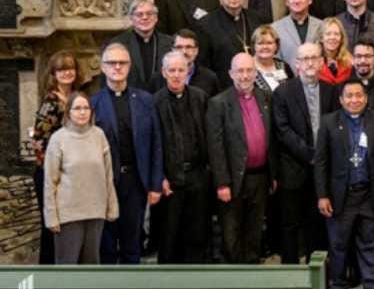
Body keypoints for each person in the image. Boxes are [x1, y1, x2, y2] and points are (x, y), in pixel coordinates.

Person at [317, 79, 374, 289]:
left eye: (359, 95)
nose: (354, 100)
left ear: (366, 97)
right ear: (341, 99)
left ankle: (372, 287)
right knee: (338, 244)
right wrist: (322, 195)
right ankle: (339, 287)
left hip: (370, 194)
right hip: (341, 196)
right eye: (349, 96)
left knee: (372, 243)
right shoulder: (329, 122)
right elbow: (321, 161)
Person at [91, 43, 164, 264]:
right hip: (106, 182)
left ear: (129, 66)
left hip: (136, 180)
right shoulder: (93, 103)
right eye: (111, 63)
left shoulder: (145, 100)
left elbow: (156, 144)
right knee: (107, 241)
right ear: (103, 68)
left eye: (122, 63)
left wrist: (155, 184)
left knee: (133, 240)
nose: (117, 67)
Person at [207, 53, 277, 264]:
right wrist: (222, 183)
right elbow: (215, 147)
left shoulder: (266, 98)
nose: (245, 76)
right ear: (231, 74)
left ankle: (253, 272)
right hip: (233, 179)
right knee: (231, 231)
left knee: (255, 230)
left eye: (249, 71)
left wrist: (274, 174)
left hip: (261, 176)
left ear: (256, 73)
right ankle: (234, 278)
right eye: (240, 71)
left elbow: (272, 139)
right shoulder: (218, 103)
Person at [273, 43, 337, 264]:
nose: (310, 63)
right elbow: (283, 130)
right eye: (304, 59)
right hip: (293, 168)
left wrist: (321, 158)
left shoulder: (331, 91)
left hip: (323, 171)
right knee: (290, 225)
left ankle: (317, 273)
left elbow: (336, 128)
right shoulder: (283, 92)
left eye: (314, 58)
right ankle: (290, 273)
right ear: (297, 64)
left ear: (322, 62)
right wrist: (311, 155)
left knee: (317, 224)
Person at [43, 93, 119, 265]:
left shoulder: (99, 135)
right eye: (77, 108)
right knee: (67, 265)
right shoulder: (58, 139)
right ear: (68, 112)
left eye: (86, 108)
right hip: (68, 214)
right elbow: (50, 182)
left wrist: (112, 206)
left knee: (91, 265)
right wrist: (51, 216)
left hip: (95, 212)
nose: (82, 112)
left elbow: (108, 174)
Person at [151, 51, 210, 264]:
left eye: (181, 70)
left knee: (197, 235)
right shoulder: (154, 102)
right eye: (172, 70)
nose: (176, 75)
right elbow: (153, 145)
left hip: (197, 177)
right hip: (170, 179)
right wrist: (160, 177)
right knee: (169, 237)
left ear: (188, 72)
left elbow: (207, 137)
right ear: (163, 72)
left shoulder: (200, 97)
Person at [31, 51, 83, 264]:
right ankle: (48, 275)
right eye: (61, 69)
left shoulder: (78, 98)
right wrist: (52, 173)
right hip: (50, 175)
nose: (66, 73)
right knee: (51, 226)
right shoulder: (51, 102)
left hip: (73, 174)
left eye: (70, 68)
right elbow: (38, 141)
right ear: (53, 73)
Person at [199, 0, 265, 92]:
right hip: (223, 89)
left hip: (255, 87)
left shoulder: (256, 19)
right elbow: (204, 66)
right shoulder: (206, 24)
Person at [113, 0, 173, 92]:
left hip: (162, 99)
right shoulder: (118, 44)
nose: (145, 17)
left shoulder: (170, 43)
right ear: (131, 18)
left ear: (156, 18)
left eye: (149, 14)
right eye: (139, 14)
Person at [271, 0, 322, 69]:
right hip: (287, 80)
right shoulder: (275, 28)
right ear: (287, 2)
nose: (297, 1)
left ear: (310, 0)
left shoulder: (321, 26)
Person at [155, 30, 219, 97]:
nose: (184, 52)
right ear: (172, 50)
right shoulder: (158, 79)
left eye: (188, 47)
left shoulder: (209, 78)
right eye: (179, 47)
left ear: (196, 51)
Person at [251, 24, 292, 93]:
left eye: (269, 43)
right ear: (254, 46)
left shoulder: (284, 66)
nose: (265, 47)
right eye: (260, 43)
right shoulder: (246, 68)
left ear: (276, 45)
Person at [317, 17, 353, 86]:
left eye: (336, 34)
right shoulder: (312, 61)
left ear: (341, 38)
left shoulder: (350, 61)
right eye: (328, 34)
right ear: (321, 38)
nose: (332, 37)